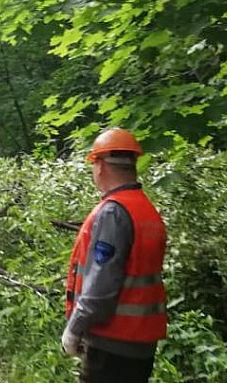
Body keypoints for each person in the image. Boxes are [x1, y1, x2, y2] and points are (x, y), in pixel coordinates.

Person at [61, 128, 168, 383]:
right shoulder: (145, 210)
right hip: (138, 344)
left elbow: (101, 286)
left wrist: (73, 330)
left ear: (99, 166)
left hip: (112, 344)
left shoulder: (113, 213)